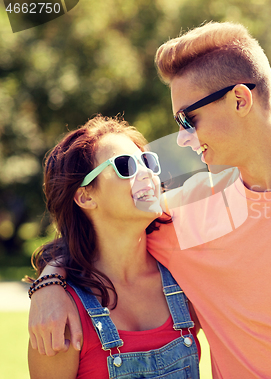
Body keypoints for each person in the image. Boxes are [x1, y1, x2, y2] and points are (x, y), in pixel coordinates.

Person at [29, 22, 271, 378]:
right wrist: (48, 285)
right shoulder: (194, 210)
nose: (183, 138)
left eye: (188, 119)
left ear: (240, 99)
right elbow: (101, 235)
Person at [27, 115, 200, 379]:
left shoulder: (187, 278)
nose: (146, 173)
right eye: (125, 165)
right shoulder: (61, 317)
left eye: (147, 161)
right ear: (85, 196)